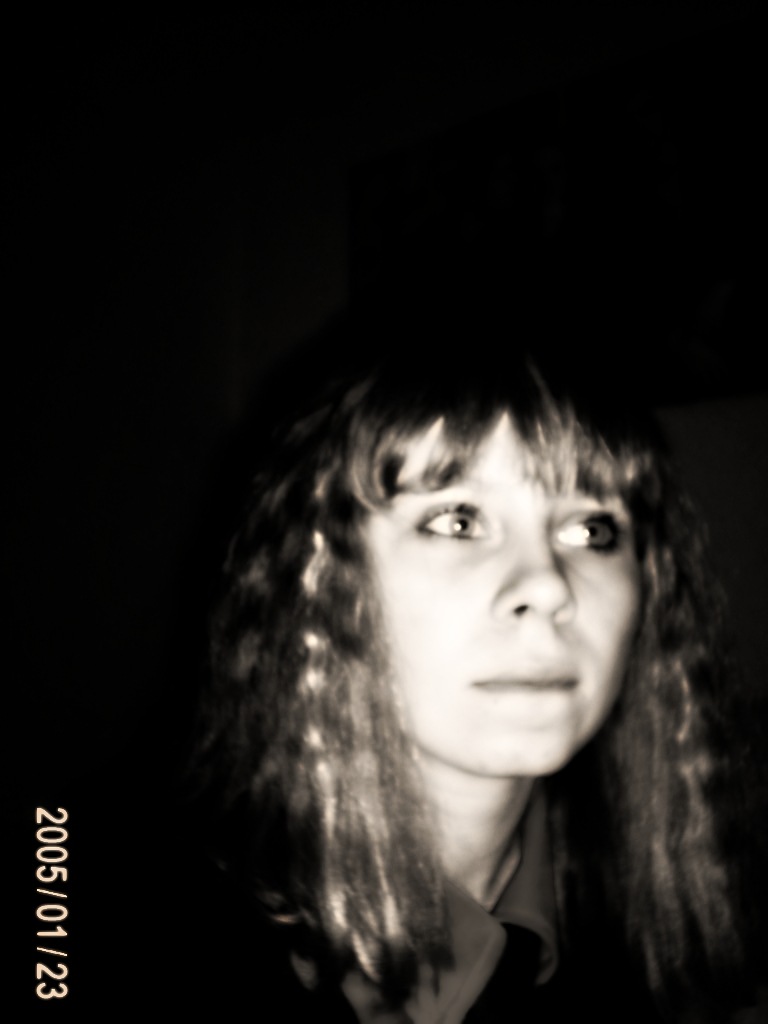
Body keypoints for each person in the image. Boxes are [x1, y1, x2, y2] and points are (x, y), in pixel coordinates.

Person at [184, 296, 766, 1023]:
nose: (549, 587)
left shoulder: (684, 940)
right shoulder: (81, 900)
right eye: (458, 520)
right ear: (317, 577)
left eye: (592, 530)